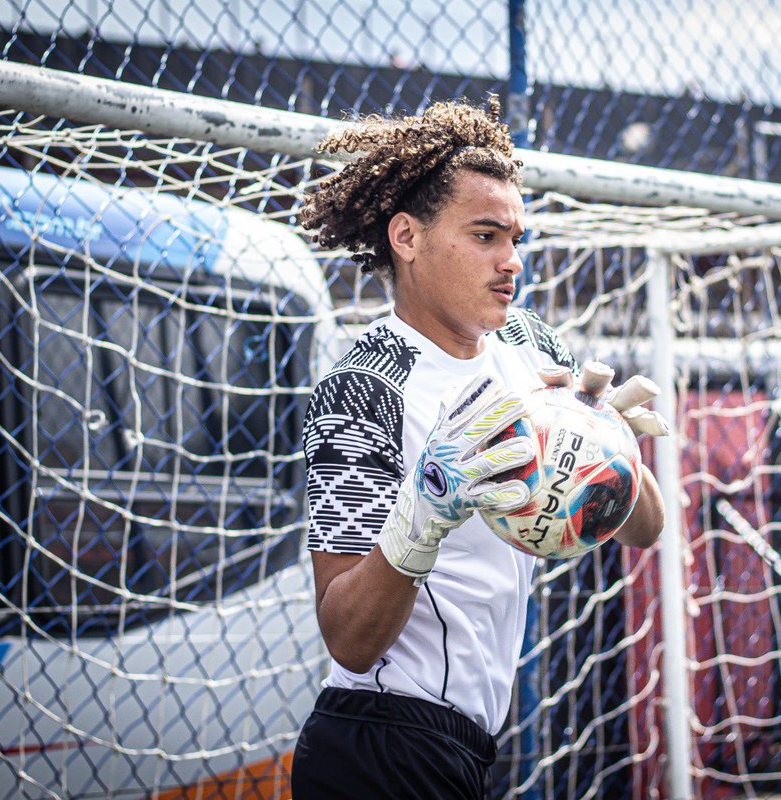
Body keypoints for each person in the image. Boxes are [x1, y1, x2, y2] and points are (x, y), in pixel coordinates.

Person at [289, 97, 668, 799]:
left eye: (515, 238)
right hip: (378, 743)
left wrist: (609, 444)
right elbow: (348, 637)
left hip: (466, 746)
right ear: (407, 237)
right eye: (486, 236)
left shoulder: (528, 346)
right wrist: (424, 511)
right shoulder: (363, 388)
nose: (512, 261)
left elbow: (646, 528)